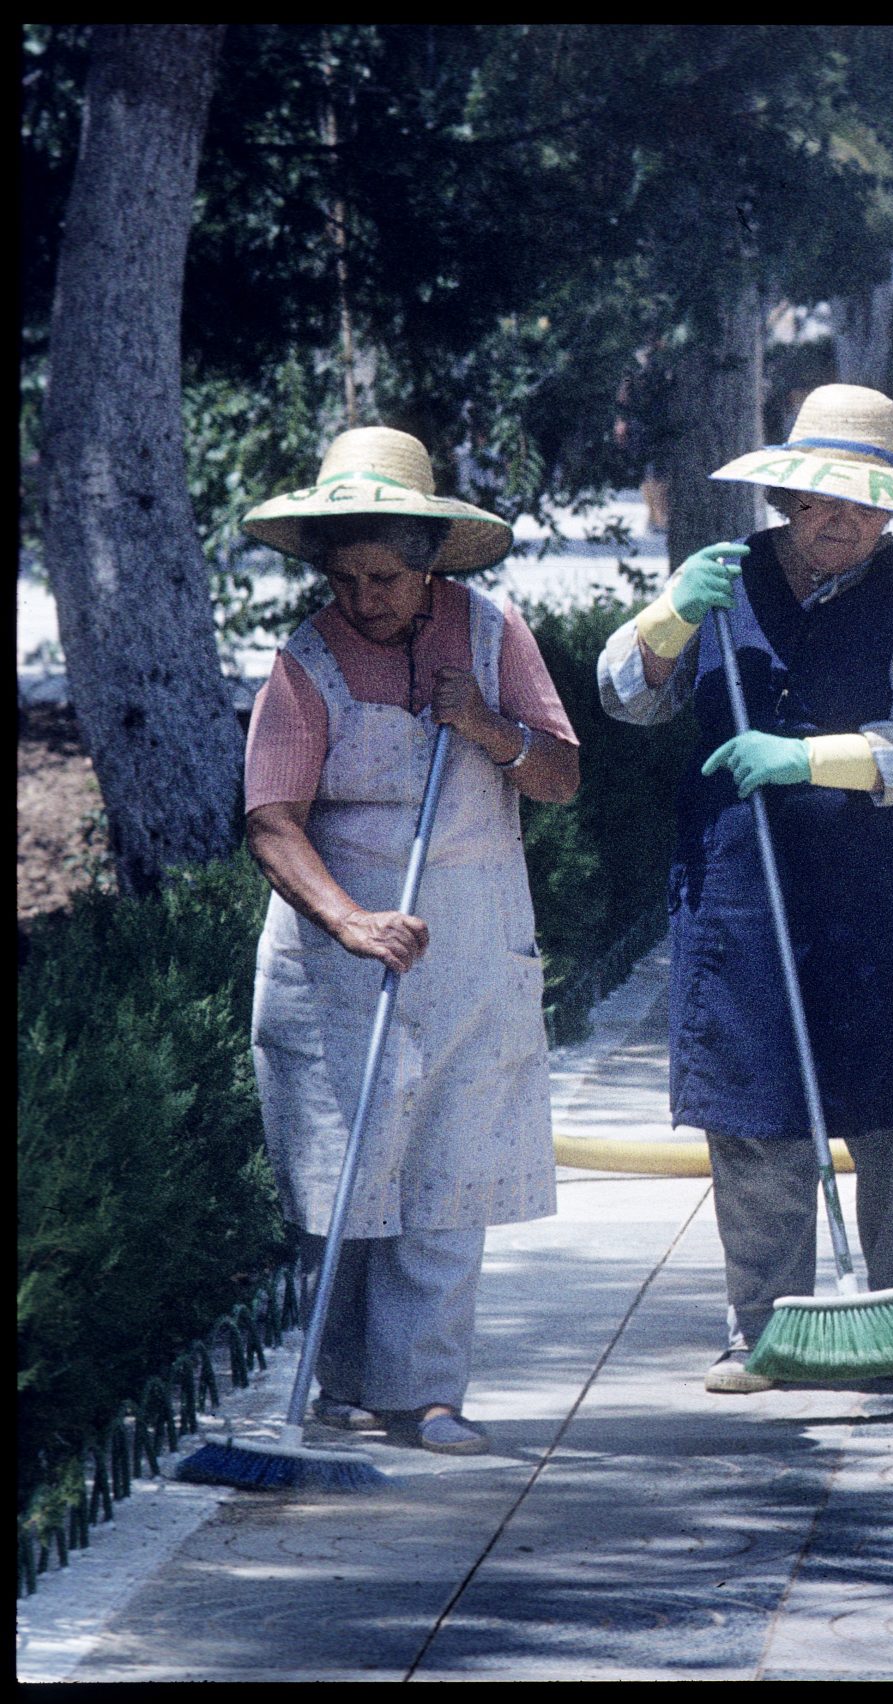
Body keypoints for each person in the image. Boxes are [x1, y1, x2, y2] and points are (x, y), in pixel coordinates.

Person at [595, 385, 893, 1395]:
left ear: (892, 511)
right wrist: (665, 617)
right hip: (749, 885)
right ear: (784, 495)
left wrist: (804, 758)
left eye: (866, 503)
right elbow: (627, 696)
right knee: (756, 1108)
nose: (843, 519)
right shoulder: (720, 584)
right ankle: (761, 1331)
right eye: (823, 498)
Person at [240, 427, 580, 1455]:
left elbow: (561, 777)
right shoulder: (301, 664)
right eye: (343, 578)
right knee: (344, 1175)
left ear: (427, 560)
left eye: (383, 576)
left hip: (472, 944)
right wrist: (348, 920)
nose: (363, 598)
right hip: (334, 957)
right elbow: (270, 819)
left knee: (448, 1170)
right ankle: (340, 1384)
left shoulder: (492, 636)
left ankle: (426, 1392)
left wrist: (480, 722)